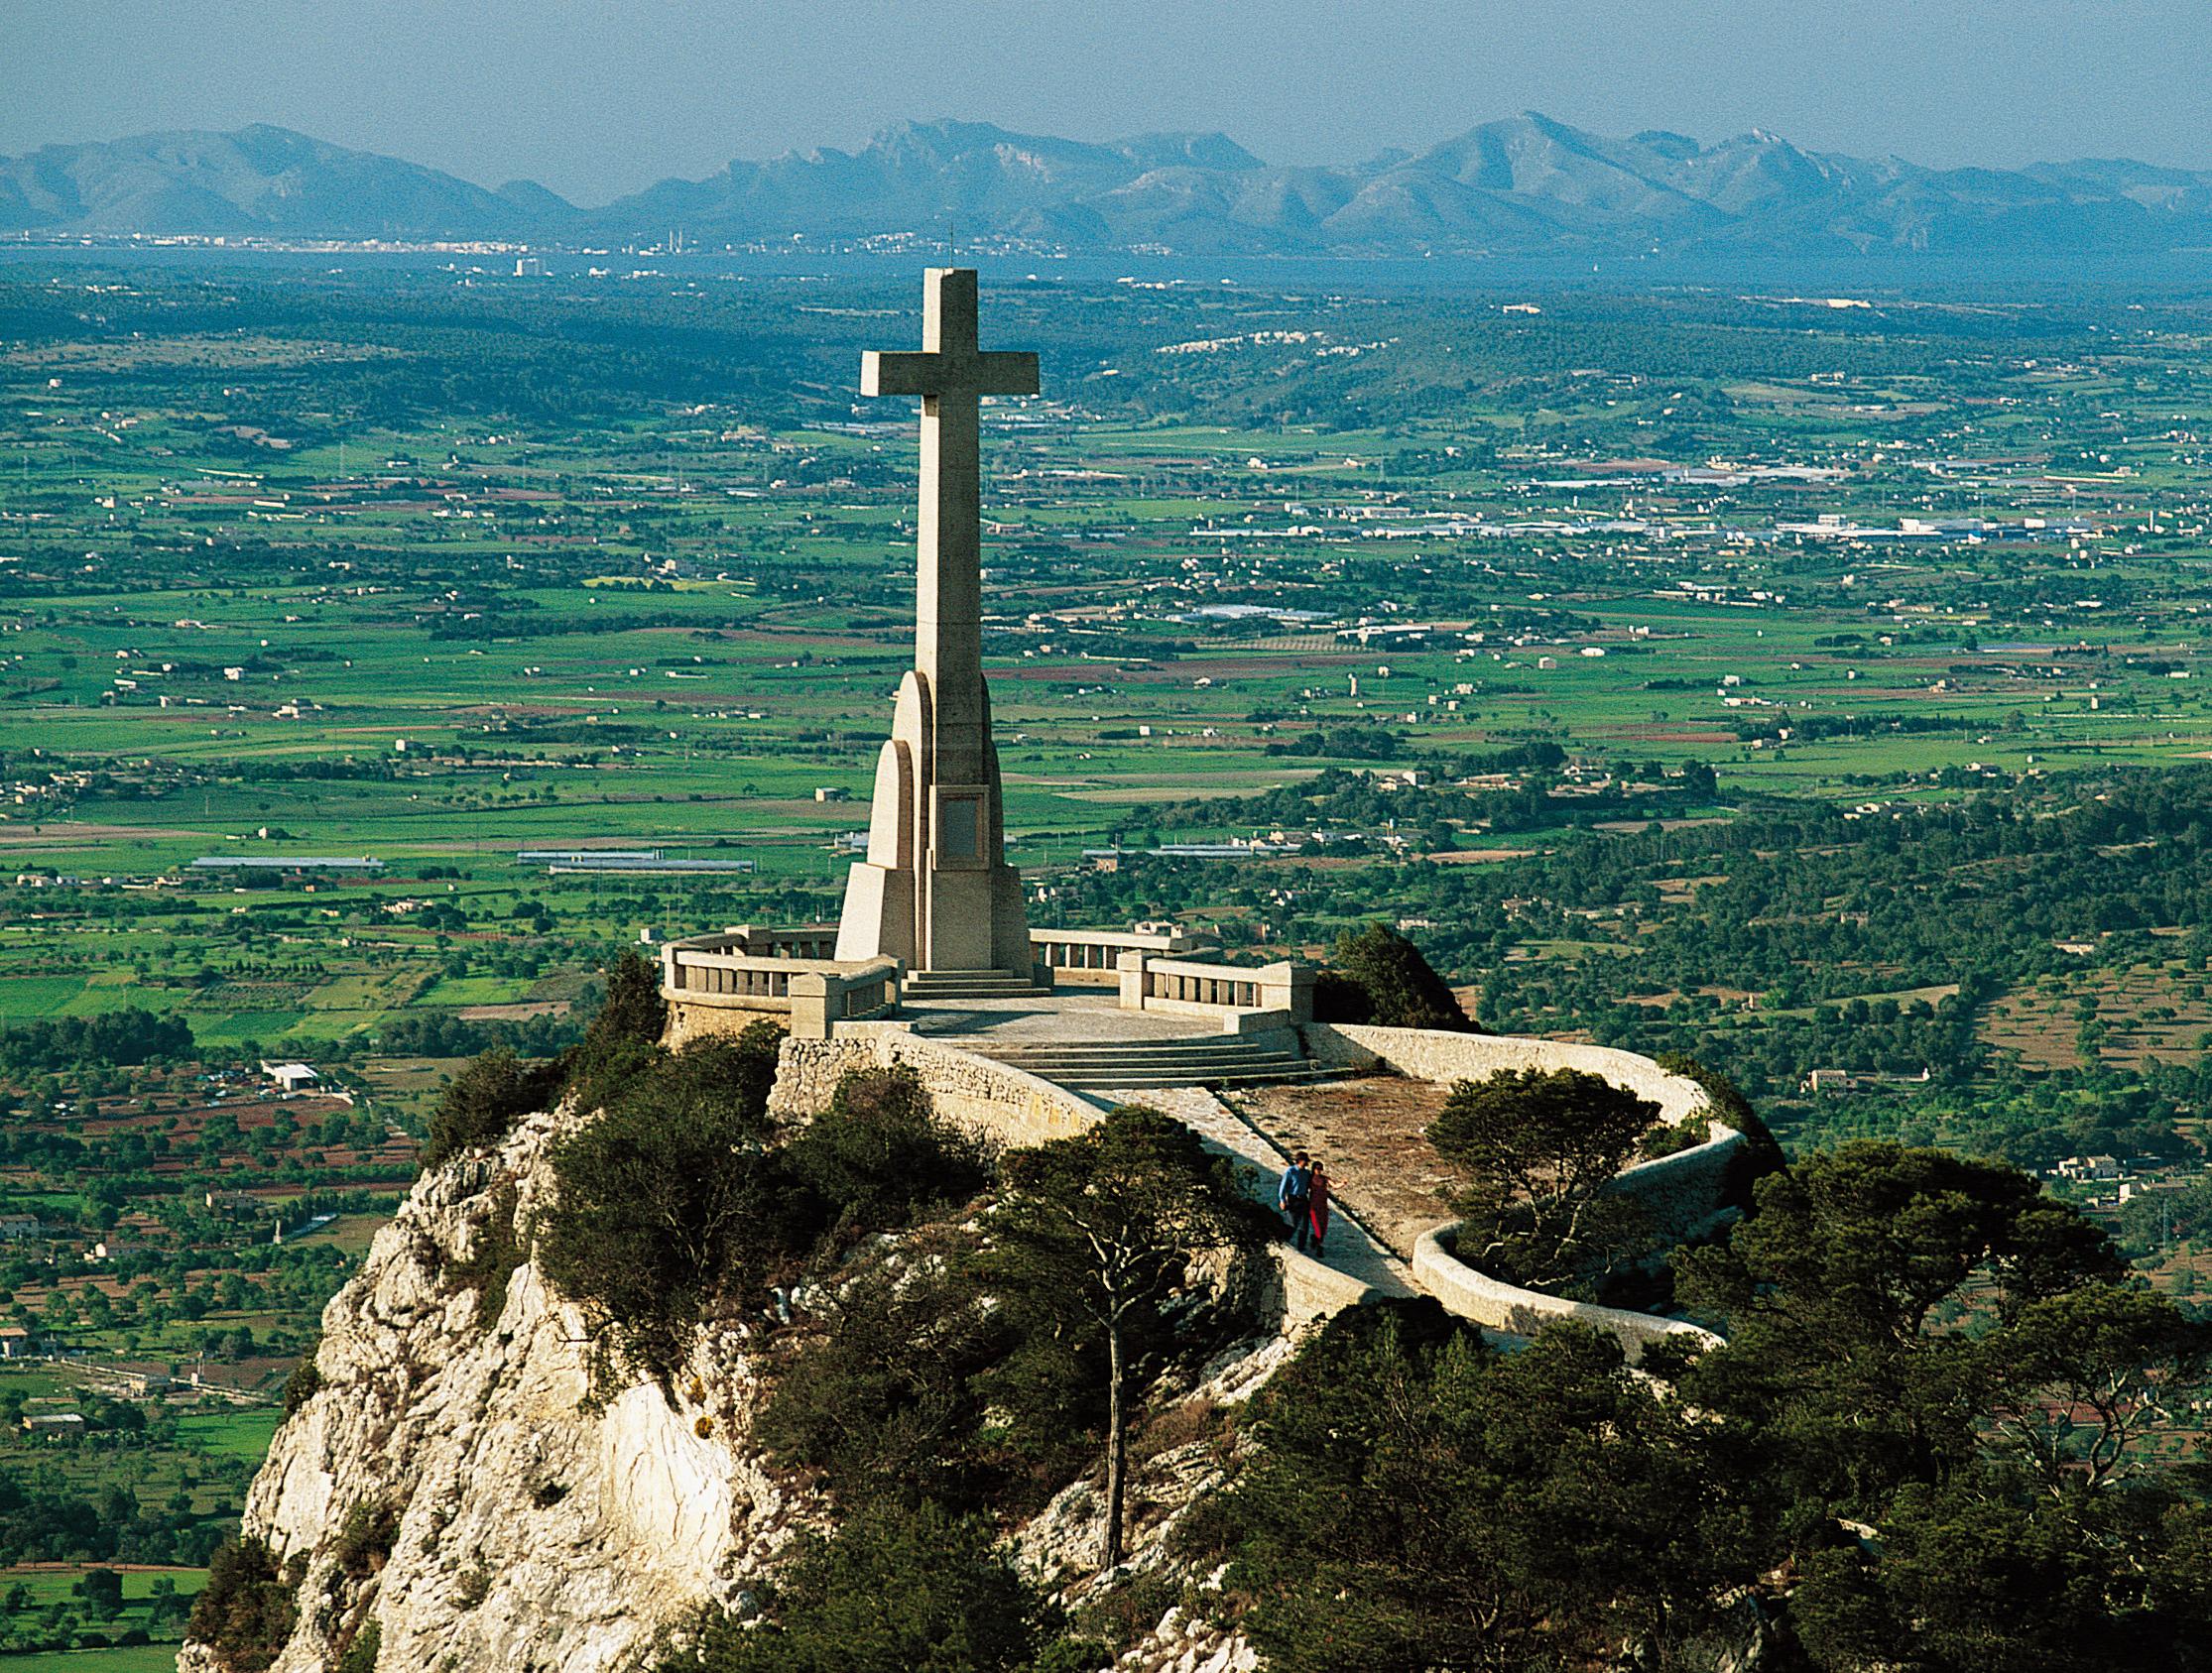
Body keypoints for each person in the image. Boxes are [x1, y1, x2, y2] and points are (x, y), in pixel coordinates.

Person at [1277, 1150, 1312, 1253]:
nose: (1306, 1163)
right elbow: (1283, 1187)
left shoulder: (1306, 1173)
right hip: (1293, 1199)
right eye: (1305, 1161)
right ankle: (1284, 1241)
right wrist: (1282, 1200)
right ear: (1299, 1161)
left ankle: (1301, 1247)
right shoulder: (1291, 1171)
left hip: (1303, 1199)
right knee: (1292, 1223)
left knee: (1304, 1225)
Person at [1307, 1160, 1332, 1257]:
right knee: (1318, 1228)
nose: (1318, 1171)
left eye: (1320, 1169)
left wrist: (1343, 1183)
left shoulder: (1324, 1179)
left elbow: (1334, 1185)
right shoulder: (1309, 1179)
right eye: (1317, 1169)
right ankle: (1319, 1247)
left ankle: (1316, 1240)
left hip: (1323, 1206)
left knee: (1323, 1228)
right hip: (1314, 1207)